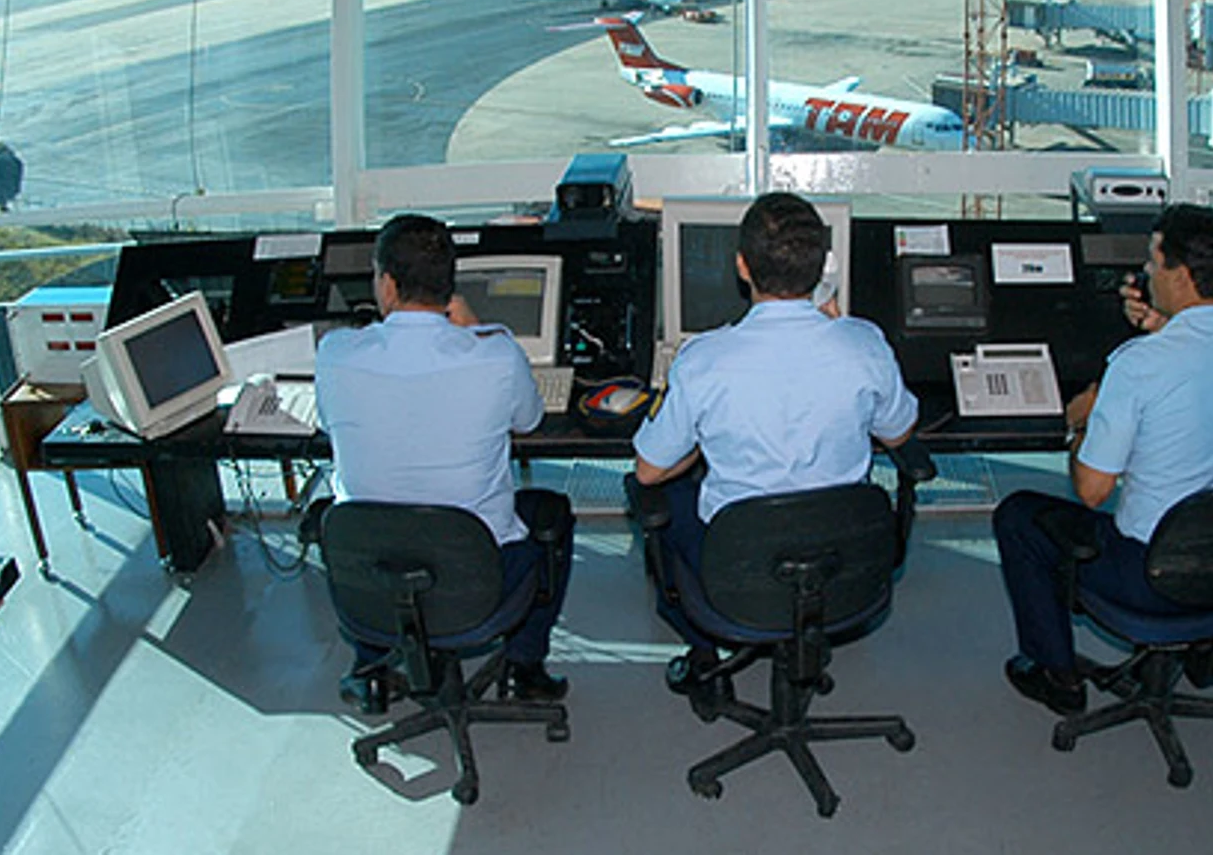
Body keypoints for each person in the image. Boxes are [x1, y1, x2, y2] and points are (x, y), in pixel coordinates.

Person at [990, 204, 1213, 717]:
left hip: (1151, 575)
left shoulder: (1138, 365)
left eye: (1154, 260)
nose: (1146, 271)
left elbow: (1092, 490)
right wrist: (1164, 327)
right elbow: (1199, 371)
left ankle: (1056, 675)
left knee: (1019, 516)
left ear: (1181, 275)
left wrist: (1082, 421)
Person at [630, 191, 918, 696]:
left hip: (739, 561)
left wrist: (701, 442)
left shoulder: (703, 360)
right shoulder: (864, 344)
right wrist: (839, 327)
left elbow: (649, 470)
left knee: (664, 500)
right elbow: (898, 433)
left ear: (742, 266)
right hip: (843, 558)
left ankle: (705, 655)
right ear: (821, 268)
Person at [316, 213, 573, 709]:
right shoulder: (497, 356)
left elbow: (330, 425)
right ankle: (526, 668)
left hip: (370, 577)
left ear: (387, 285)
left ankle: (370, 668)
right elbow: (529, 420)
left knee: (370, 519)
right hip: (479, 576)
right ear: (449, 287)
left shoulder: (335, 353)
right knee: (552, 515)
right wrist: (475, 330)